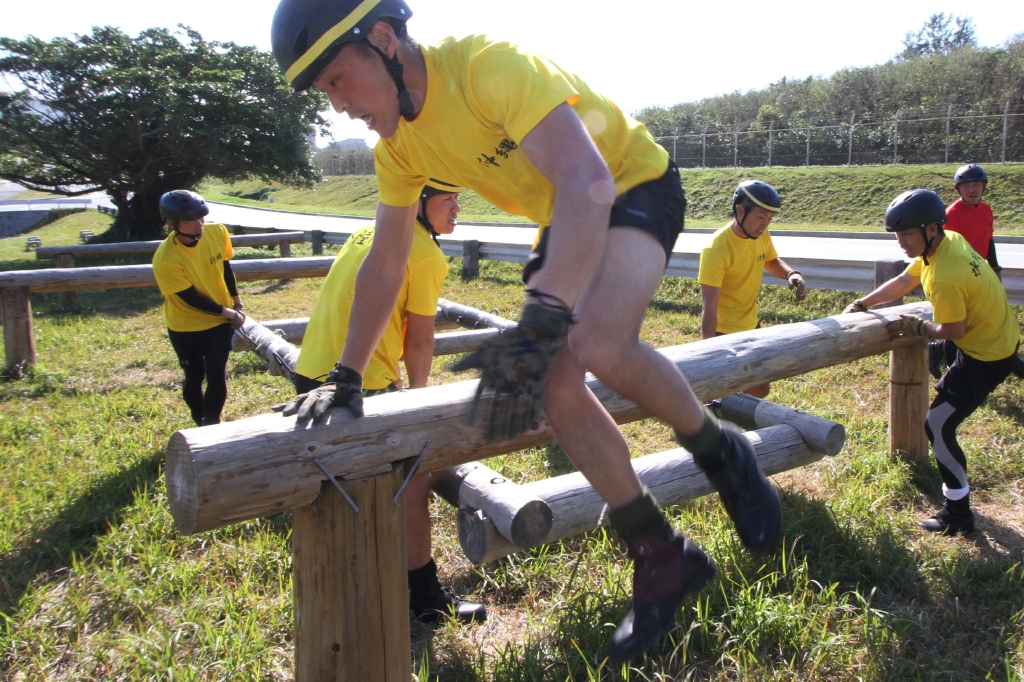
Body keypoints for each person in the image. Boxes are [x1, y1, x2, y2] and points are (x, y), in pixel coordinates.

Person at [271, 0, 782, 662]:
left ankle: (723, 456)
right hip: (568, 211)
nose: (336, 105)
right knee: (552, 376)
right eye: (323, 93)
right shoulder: (398, 146)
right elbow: (386, 260)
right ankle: (660, 553)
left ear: (384, 39)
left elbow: (589, 178)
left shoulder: (487, 66)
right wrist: (345, 372)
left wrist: (543, 316)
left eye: (336, 81)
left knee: (595, 340)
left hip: (631, 182)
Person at [284, 179, 486, 624]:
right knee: (415, 482)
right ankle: (425, 598)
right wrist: (418, 402)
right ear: (418, 201)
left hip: (314, 368)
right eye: (447, 200)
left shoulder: (368, 231)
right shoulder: (426, 252)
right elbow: (420, 337)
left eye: (459, 198)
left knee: (342, 485)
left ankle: (353, 580)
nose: (456, 209)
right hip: (360, 381)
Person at [842, 189, 1020, 536]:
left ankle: (958, 513)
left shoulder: (944, 275)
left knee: (937, 426)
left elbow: (953, 329)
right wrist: (864, 303)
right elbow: (906, 279)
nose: (901, 242)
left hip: (986, 356)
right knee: (945, 405)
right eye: (897, 234)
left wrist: (921, 326)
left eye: (906, 234)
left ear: (931, 230)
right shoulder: (948, 241)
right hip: (1001, 337)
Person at [697, 180, 807, 398]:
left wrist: (792, 274)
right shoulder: (716, 249)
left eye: (769, 219)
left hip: (751, 325)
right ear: (740, 210)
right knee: (723, 392)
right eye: (760, 217)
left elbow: (771, 261)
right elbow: (709, 306)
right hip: (723, 332)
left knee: (759, 388)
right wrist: (707, 352)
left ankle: (732, 417)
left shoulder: (760, 235)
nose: (764, 224)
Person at [152, 190, 246, 427]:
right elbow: (190, 298)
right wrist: (229, 314)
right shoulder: (166, 258)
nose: (199, 225)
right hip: (186, 325)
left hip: (219, 322)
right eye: (191, 220)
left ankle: (212, 423)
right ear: (171, 223)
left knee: (217, 374)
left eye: (201, 218)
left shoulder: (217, 231)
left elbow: (226, 269)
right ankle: (198, 418)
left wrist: (237, 302)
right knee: (194, 377)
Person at [929, 164, 1001, 380]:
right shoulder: (951, 214)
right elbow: (945, 248)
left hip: (978, 273)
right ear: (959, 189)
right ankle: (952, 370)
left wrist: (995, 268)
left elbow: (989, 240)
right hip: (958, 274)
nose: (972, 190)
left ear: (983, 187)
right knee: (958, 322)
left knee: (973, 321)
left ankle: (937, 350)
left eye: (976, 185)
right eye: (967, 186)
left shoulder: (986, 209)